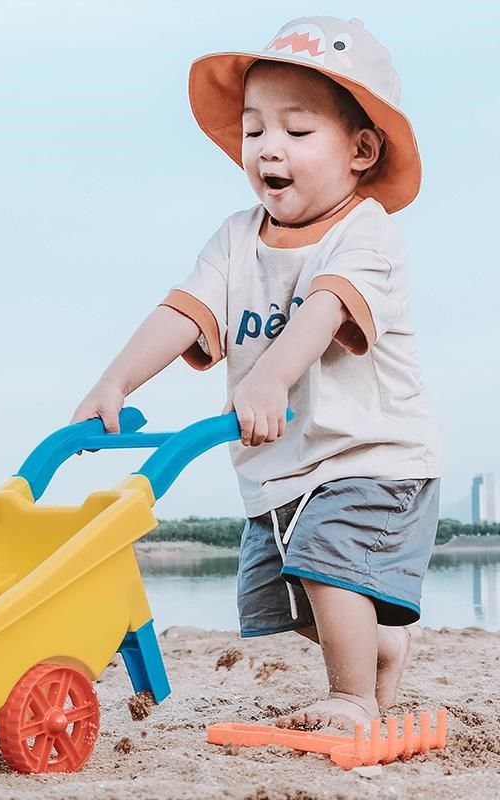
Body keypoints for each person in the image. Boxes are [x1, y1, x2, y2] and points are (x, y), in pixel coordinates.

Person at [70, 16, 442, 731]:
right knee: (280, 599)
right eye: (254, 131)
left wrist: (269, 377)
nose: (270, 148)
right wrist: (116, 380)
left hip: (371, 453)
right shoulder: (236, 238)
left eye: (298, 132)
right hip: (280, 467)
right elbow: (185, 309)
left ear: (362, 149)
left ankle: (354, 698)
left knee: (330, 561)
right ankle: (380, 649)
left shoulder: (365, 233)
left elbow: (327, 305)